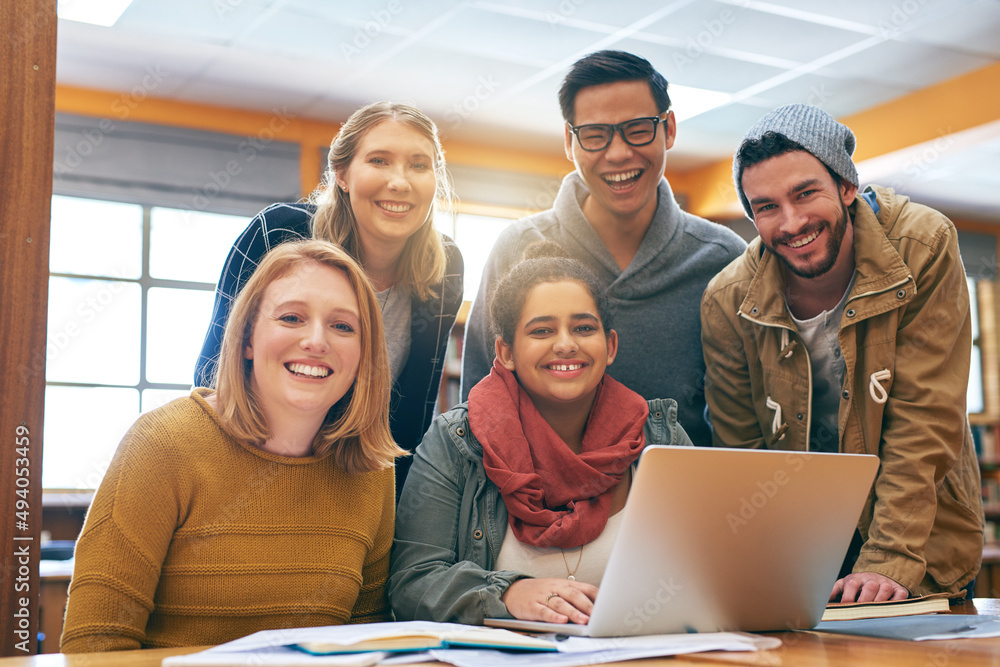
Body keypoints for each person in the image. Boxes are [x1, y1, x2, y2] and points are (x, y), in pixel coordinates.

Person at [700, 103, 984, 604]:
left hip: (917, 535)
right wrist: (769, 564)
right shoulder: (728, 300)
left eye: (805, 193)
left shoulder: (924, 245)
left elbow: (924, 418)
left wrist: (889, 558)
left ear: (847, 187)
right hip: (803, 543)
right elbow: (742, 450)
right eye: (766, 207)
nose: (791, 222)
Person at [62, 240, 403, 652]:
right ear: (246, 340)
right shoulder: (161, 445)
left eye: (343, 326)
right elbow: (94, 646)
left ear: (364, 354)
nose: (317, 341)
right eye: (292, 317)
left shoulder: (372, 471)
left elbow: (366, 641)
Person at [390, 242, 693, 625]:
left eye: (584, 328)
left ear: (610, 345)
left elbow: (709, 567)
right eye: (542, 330)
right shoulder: (455, 442)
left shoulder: (662, 439)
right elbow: (411, 583)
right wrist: (508, 592)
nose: (566, 344)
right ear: (506, 352)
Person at [460, 50, 745, 448]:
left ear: (670, 129)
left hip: (680, 503)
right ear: (569, 141)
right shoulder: (518, 248)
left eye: (638, 128)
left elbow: (741, 422)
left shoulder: (724, 259)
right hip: (537, 505)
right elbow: (480, 400)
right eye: (595, 134)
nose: (618, 153)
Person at [194, 102, 463, 491]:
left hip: (356, 481)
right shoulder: (278, 234)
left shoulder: (445, 268)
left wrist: (389, 520)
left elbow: (412, 414)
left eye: (419, 165)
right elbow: (215, 373)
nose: (400, 182)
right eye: (379, 160)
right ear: (342, 174)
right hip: (246, 465)